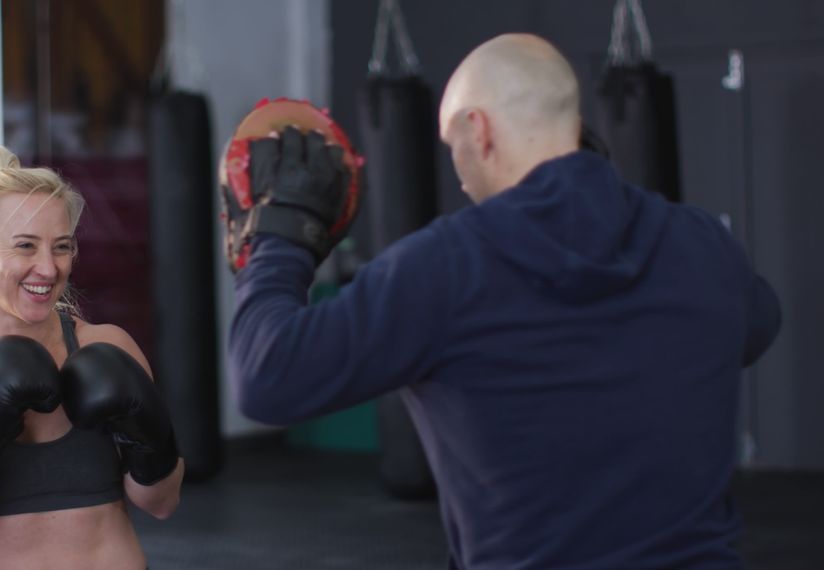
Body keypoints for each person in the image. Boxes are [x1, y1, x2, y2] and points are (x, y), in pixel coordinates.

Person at [223, 33, 781, 569]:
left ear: (480, 130)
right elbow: (759, 325)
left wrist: (279, 237)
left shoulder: (446, 266)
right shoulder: (702, 244)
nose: (461, 177)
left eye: (452, 147)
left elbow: (268, 377)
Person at [0, 145, 184, 569]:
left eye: (62, 247)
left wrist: (147, 437)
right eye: (26, 247)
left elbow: (162, 502)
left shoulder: (107, 346)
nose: (48, 269)